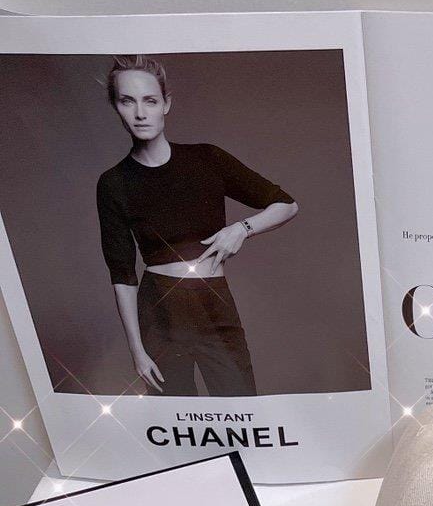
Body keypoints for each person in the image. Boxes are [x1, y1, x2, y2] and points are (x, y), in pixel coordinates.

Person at [95, 55, 299, 396]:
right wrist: (137, 351)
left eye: (150, 100)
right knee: (175, 416)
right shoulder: (113, 183)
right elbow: (122, 275)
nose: (140, 113)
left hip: (213, 302)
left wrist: (242, 229)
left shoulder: (207, 159)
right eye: (127, 101)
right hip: (159, 311)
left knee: (241, 409)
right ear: (116, 107)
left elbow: (286, 205)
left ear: (166, 104)